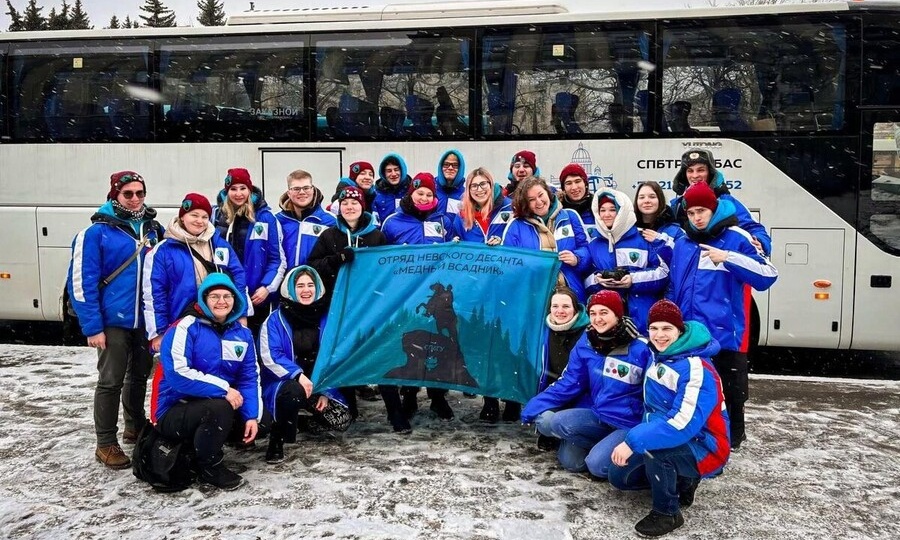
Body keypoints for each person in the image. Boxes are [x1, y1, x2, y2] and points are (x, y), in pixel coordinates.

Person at [666, 181, 778, 450]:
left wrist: (728, 257)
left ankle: (735, 438)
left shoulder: (736, 238)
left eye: (701, 211)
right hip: (691, 335)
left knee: (731, 392)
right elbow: (673, 285)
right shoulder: (683, 242)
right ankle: (702, 437)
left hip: (726, 334)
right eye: (691, 213)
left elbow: (768, 275)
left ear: (713, 209)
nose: (697, 218)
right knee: (694, 390)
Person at [67, 171, 164, 469]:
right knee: (110, 380)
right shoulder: (95, 233)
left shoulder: (153, 228)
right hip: (112, 320)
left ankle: (134, 425)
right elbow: (81, 283)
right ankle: (106, 443)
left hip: (143, 320)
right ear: (114, 196)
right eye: (128, 194)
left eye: (140, 193)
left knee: (138, 376)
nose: (135, 199)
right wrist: (92, 326)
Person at [609, 299, 730, 538]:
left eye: (667, 329)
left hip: (704, 444)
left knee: (658, 454)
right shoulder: (660, 355)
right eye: (654, 328)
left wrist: (633, 441)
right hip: (668, 433)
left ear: (679, 330)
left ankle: (667, 512)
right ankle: (681, 481)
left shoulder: (696, 368)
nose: (659, 335)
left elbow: (682, 423)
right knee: (619, 477)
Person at [307, 186, 409, 432]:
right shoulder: (329, 236)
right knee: (345, 357)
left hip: (371, 309)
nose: (349, 207)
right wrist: (336, 259)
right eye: (345, 203)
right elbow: (312, 265)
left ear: (362, 206)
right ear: (339, 207)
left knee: (381, 356)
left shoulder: (376, 236)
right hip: (340, 308)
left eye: (354, 203)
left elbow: (389, 269)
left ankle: (396, 413)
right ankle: (350, 407)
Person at [521, 291, 652, 479]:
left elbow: (653, 395)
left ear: (617, 314)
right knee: (568, 454)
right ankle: (602, 447)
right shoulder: (587, 342)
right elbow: (570, 382)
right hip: (599, 415)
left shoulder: (641, 348)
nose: (598, 319)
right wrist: (533, 406)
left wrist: (642, 433)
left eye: (604, 312)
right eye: (593, 313)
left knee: (596, 466)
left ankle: (633, 465)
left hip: (628, 423)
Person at [152, 273, 261, 491]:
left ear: (235, 300)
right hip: (174, 409)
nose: (221, 301)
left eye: (227, 296)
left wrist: (251, 416)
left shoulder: (243, 334)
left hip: (213, 403)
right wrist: (223, 389)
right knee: (219, 408)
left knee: (262, 419)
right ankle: (209, 466)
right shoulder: (185, 327)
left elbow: (248, 376)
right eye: (214, 296)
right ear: (204, 299)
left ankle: (203, 443)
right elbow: (177, 374)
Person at [381, 172, 462, 422]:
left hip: (436, 297)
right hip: (407, 297)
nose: (424, 197)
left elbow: (453, 249)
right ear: (411, 194)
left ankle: (437, 397)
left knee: (437, 343)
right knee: (413, 345)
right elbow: (381, 258)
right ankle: (410, 395)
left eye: (429, 194)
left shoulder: (443, 221)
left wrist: (455, 246)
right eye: (420, 193)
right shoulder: (393, 222)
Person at [258, 266, 353, 464]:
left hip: (317, 383)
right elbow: (270, 355)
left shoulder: (329, 317)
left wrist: (326, 390)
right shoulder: (274, 319)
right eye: (300, 285)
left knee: (342, 420)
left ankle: (300, 421)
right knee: (292, 394)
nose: (306, 290)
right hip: (286, 382)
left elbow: (334, 356)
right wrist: (297, 375)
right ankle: (278, 437)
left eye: (310, 285)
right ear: (290, 289)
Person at [143, 193, 249, 353]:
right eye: (194, 215)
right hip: (180, 320)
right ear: (182, 217)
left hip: (218, 320)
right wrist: (158, 332)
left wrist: (242, 313)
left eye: (204, 216)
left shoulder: (219, 244)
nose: (199, 221)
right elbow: (154, 294)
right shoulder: (162, 251)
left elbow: (238, 279)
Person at [583, 188, 670, 331]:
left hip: (642, 317)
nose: (607, 215)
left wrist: (633, 280)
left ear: (622, 212)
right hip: (608, 323)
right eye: (602, 210)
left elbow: (664, 273)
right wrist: (598, 280)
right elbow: (585, 279)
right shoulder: (594, 244)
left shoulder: (644, 238)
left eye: (612, 209)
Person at [212, 168, 286, 332]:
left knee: (256, 343)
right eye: (233, 189)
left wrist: (266, 287)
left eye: (243, 188)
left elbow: (277, 260)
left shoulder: (266, 218)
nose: (238, 194)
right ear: (227, 191)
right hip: (223, 296)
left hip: (257, 297)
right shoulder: (216, 216)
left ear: (250, 190)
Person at [501, 176, 590, 301]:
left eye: (540, 195)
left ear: (548, 193)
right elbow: (508, 265)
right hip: (533, 297)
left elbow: (586, 250)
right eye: (531, 199)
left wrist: (577, 258)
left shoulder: (570, 216)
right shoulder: (516, 226)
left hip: (571, 295)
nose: (538, 202)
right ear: (525, 204)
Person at [670, 148, 771, 255]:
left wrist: (761, 242)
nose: (695, 175)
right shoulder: (677, 205)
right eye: (690, 171)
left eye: (701, 170)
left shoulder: (726, 202)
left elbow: (753, 228)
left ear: (710, 172)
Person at [533, 286, 591, 450]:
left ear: (575, 308)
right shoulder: (543, 330)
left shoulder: (588, 332)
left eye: (566, 306)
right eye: (555, 306)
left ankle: (574, 437)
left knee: (573, 462)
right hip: (554, 391)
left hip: (581, 396)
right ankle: (558, 434)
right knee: (543, 419)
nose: (560, 311)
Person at [276, 169, 336, 269]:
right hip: (284, 281)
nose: (302, 192)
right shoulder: (277, 220)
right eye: (296, 189)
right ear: (289, 193)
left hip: (317, 281)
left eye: (306, 188)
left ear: (313, 189)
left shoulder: (330, 221)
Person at [457, 167, 513, 245]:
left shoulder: (510, 207)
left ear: (490, 185)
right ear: (468, 191)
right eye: (474, 186)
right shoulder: (462, 216)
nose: (479, 189)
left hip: (503, 257)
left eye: (483, 184)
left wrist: (502, 242)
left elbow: (520, 239)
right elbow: (458, 243)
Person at [634, 181, 683, 255]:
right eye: (641, 197)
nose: (646, 201)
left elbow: (682, 259)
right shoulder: (628, 231)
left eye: (652, 197)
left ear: (660, 200)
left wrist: (660, 242)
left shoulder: (676, 232)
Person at [558, 163, 596, 238]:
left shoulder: (598, 207)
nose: (574, 187)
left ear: (585, 184)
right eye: (569, 183)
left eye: (578, 181)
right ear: (563, 188)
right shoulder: (558, 211)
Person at [372, 153, 412, 223]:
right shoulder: (376, 194)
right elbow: (375, 223)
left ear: (402, 170)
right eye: (389, 171)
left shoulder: (413, 192)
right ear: (383, 173)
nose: (393, 174)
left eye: (396, 169)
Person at [434, 149, 466, 216]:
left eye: (455, 165)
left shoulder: (466, 195)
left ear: (461, 169)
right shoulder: (431, 191)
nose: (450, 168)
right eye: (446, 164)